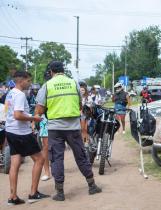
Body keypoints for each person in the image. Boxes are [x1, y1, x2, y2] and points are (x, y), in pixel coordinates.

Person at [35, 61, 101, 201]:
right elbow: (79, 105)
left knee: (57, 159)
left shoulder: (47, 86)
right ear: (63, 70)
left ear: (51, 71)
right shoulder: (74, 83)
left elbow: (39, 110)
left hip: (54, 129)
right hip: (73, 127)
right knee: (81, 156)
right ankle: (92, 186)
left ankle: (60, 193)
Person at [5, 70, 49, 205]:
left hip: (10, 131)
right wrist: (33, 118)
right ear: (21, 80)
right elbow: (18, 115)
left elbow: (9, 112)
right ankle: (33, 193)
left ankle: (13, 197)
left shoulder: (10, 93)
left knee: (15, 164)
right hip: (21, 133)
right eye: (28, 81)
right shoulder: (20, 95)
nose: (30, 84)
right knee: (40, 159)